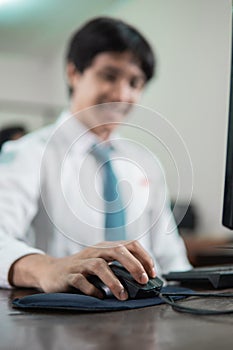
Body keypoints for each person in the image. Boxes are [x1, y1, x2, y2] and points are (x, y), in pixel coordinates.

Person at [0, 17, 191, 300]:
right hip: (62, 328)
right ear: (74, 73)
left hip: (146, 322)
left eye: (135, 83)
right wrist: (49, 268)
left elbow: (172, 259)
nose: (121, 94)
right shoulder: (28, 153)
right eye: (109, 76)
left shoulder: (146, 162)